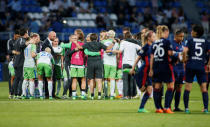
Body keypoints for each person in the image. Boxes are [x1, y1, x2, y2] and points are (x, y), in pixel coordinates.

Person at [76, 33, 114, 100]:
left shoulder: (88, 44)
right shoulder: (99, 44)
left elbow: (80, 48)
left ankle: (92, 95)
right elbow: (108, 48)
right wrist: (113, 42)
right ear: (97, 38)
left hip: (90, 62)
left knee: (91, 80)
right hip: (98, 62)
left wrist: (75, 42)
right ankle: (99, 95)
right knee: (99, 80)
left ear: (90, 38)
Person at [149, 25, 177, 114]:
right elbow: (170, 53)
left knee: (157, 87)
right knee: (171, 86)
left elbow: (151, 57)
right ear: (166, 32)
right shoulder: (167, 42)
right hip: (166, 66)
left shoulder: (154, 43)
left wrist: (151, 69)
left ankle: (158, 108)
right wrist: (175, 57)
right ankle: (167, 107)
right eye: (168, 32)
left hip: (156, 67)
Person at [183, 24, 210, 114]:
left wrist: (184, 59)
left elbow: (184, 51)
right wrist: (209, 64)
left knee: (187, 88)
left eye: (192, 31)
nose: (191, 32)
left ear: (196, 33)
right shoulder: (205, 41)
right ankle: (206, 109)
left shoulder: (190, 40)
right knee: (204, 88)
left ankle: (186, 108)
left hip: (190, 65)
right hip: (201, 66)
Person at [130, 30, 156, 113]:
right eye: (153, 36)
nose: (155, 38)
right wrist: (133, 68)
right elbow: (138, 58)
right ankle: (135, 75)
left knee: (149, 89)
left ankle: (141, 108)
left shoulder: (154, 47)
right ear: (149, 38)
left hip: (149, 70)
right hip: (144, 70)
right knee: (143, 89)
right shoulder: (145, 47)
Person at [116, 32, 141, 99]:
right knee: (132, 80)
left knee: (126, 80)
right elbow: (141, 49)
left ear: (125, 37)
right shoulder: (134, 44)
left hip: (126, 63)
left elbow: (120, 51)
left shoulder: (123, 42)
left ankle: (126, 95)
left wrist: (112, 51)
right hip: (133, 64)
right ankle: (132, 95)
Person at [101, 30, 119, 99]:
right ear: (114, 35)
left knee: (105, 79)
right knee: (112, 79)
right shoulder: (117, 43)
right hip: (113, 63)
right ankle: (112, 94)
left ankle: (105, 94)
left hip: (105, 62)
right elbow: (117, 54)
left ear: (107, 35)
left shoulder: (103, 42)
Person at [170, 29, 185, 111]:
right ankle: (168, 106)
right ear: (175, 36)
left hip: (181, 68)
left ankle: (176, 107)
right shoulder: (171, 44)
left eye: (183, 36)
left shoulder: (183, 44)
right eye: (180, 36)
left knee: (179, 87)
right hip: (174, 68)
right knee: (172, 87)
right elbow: (170, 55)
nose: (182, 38)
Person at [12, 28, 30, 99]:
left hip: (16, 61)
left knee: (17, 78)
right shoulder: (21, 40)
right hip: (20, 62)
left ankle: (15, 94)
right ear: (25, 34)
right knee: (21, 79)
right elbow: (21, 45)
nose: (28, 34)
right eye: (27, 33)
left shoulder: (17, 40)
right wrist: (29, 42)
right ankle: (19, 94)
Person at [22, 33, 40, 99]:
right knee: (31, 80)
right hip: (31, 64)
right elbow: (33, 55)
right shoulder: (33, 45)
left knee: (25, 79)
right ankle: (31, 95)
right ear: (34, 37)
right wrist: (38, 54)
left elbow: (24, 55)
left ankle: (23, 95)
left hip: (25, 64)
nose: (38, 40)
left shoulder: (26, 44)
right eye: (37, 38)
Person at [41, 31, 56, 98]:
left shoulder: (48, 42)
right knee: (48, 80)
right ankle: (48, 94)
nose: (55, 37)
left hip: (50, 64)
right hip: (48, 64)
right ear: (49, 35)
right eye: (54, 36)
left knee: (51, 79)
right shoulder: (45, 43)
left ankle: (52, 94)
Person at [7, 29, 20, 99]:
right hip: (12, 61)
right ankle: (10, 92)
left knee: (17, 77)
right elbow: (8, 51)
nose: (18, 37)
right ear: (14, 35)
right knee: (12, 77)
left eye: (19, 36)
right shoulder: (10, 41)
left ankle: (16, 91)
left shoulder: (19, 41)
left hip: (19, 61)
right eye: (17, 36)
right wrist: (15, 52)